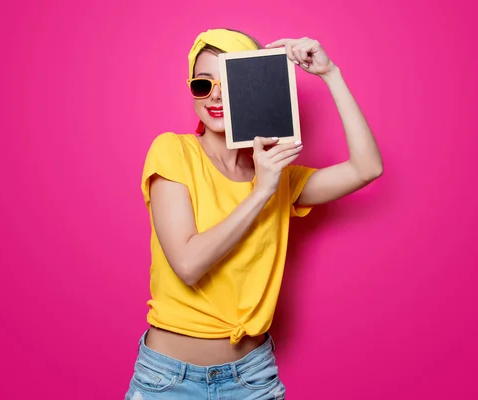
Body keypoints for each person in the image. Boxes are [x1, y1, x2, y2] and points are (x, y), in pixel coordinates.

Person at [125, 28, 383, 399]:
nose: (214, 96)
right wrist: (262, 191)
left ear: (254, 88)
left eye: (229, 83)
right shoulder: (173, 151)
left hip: (253, 377)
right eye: (203, 84)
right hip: (170, 381)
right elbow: (188, 263)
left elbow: (366, 168)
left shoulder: (276, 174)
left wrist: (331, 74)